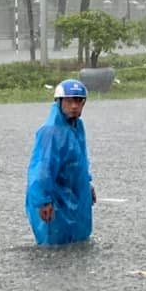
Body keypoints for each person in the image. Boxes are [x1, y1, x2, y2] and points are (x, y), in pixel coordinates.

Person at [25, 79, 96, 246]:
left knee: (77, 244)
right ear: (59, 102)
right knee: (54, 246)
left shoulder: (77, 127)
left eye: (78, 101)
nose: (74, 106)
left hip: (73, 194)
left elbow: (80, 160)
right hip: (54, 198)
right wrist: (44, 201)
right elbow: (42, 168)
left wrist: (87, 184)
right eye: (69, 100)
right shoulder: (51, 132)